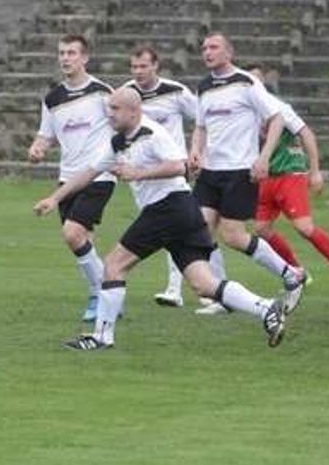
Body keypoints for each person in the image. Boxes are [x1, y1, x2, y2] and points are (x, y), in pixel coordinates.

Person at [33, 89, 288, 350]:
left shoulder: (151, 132)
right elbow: (89, 172)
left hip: (168, 207)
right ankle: (266, 308)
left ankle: (101, 337)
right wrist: (55, 198)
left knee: (113, 265)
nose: (110, 114)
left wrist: (139, 173)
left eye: (116, 109)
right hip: (182, 212)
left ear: (134, 111)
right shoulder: (118, 142)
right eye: (109, 108)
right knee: (203, 284)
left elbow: (180, 166)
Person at [190, 34, 307, 315]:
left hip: (239, 170)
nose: (207, 52)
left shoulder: (246, 81)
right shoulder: (204, 86)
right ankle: (221, 294)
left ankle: (290, 274)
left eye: (214, 47)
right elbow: (201, 126)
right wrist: (195, 150)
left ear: (229, 52)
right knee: (199, 229)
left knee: (232, 235)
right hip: (210, 171)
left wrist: (263, 157)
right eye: (204, 48)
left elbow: (276, 118)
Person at [244, 65, 329, 296]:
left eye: (256, 80)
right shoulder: (247, 112)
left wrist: (315, 171)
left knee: (304, 228)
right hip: (267, 178)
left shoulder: (278, 108)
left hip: (290, 174)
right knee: (261, 229)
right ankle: (298, 271)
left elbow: (307, 134)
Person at [27, 34, 115, 322]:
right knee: (83, 240)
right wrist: (37, 146)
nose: (65, 58)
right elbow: (46, 134)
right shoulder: (53, 98)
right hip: (67, 178)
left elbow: (122, 125)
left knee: (72, 234)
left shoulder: (103, 92)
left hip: (98, 176)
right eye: (62, 53)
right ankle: (110, 295)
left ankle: (101, 294)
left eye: (72, 53)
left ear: (85, 58)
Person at [121, 45, 206, 309]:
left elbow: (203, 120)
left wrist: (197, 152)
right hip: (140, 177)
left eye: (143, 66)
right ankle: (208, 285)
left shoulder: (176, 92)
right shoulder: (126, 93)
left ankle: (176, 289)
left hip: (173, 171)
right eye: (134, 67)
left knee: (172, 228)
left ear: (155, 65)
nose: (138, 72)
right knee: (172, 231)